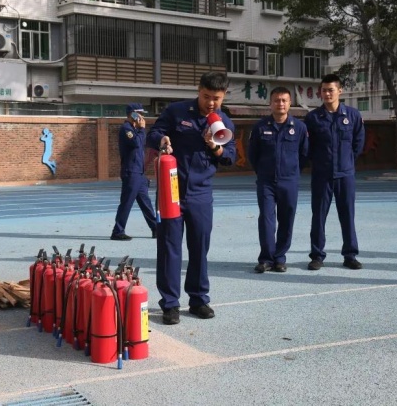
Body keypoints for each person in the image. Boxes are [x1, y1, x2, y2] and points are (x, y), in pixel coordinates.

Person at [147, 72, 236, 325]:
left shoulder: (224, 122)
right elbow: (153, 133)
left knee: (199, 248)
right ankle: (170, 304)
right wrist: (162, 139)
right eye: (206, 96)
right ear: (198, 90)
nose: (211, 103)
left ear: (223, 96)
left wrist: (214, 146)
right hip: (172, 191)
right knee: (169, 248)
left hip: (201, 193)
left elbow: (229, 157)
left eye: (216, 98)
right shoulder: (177, 111)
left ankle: (198, 300)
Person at [304, 74, 365, 271]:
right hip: (321, 176)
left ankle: (350, 255)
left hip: (345, 175)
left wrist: (347, 162)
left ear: (340, 91)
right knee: (318, 216)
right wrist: (320, 163)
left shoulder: (352, 115)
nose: (327, 94)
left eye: (331, 90)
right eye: (324, 90)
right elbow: (308, 147)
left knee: (347, 215)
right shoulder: (313, 118)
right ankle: (317, 256)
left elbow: (358, 143)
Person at [248, 87, 308, 273]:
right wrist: (262, 172)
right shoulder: (260, 127)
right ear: (270, 103)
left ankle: (280, 258)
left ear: (290, 103)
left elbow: (304, 154)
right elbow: (253, 154)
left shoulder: (299, 128)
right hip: (266, 181)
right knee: (266, 219)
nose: (280, 104)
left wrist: (292, 172)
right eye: (276, 100)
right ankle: (266, 259)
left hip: (289, 181)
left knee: (286, 219)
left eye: (284, 100)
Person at [110, 103, 157, 241]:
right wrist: (142, 129)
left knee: (145, 202)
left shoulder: (135, 129)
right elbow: (136, 143)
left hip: (139, 172)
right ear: (133, 114)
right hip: (131, 172)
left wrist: (140, 130)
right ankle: (118, 231)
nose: (142, 116)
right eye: (139, 113)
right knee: (126, 202)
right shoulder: (126, 129)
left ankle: (156, 228)